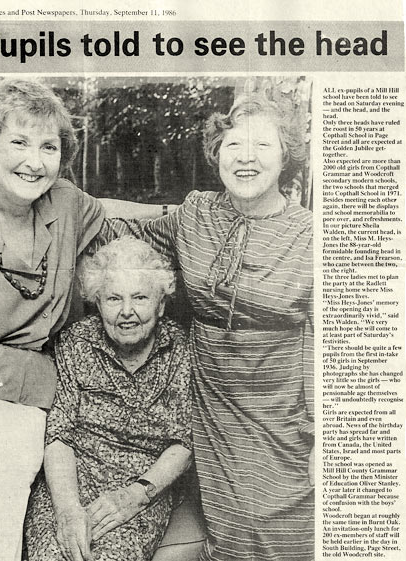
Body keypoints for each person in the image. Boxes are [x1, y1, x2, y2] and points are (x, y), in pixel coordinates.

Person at [98, 92, 315, 561]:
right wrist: (68, 200)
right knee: (230, 539)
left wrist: (322, 433)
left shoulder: (311, 235)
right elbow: (121, 224)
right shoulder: (195, 214)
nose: (246, 158)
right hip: (212, 406)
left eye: (263, 146)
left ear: (286, 156)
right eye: (235, 145)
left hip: (283, 413)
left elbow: (326, 342)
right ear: (217, 152)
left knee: (287, 538)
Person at [0, 79, 167, 561]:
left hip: (41, 397)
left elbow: (125, 219)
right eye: (19, 141)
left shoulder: (66, 204)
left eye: (48, 147)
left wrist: (202, 209)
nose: (34, 161)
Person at [25, 237, 192, 561]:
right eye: (114, 298)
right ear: (97, 302)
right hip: (69, 484)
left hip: (141, 490)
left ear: (160, 304)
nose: (126, 312)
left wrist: (136, 496)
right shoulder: (75, 343)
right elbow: (58, 434)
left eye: (140, 297)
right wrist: (68, 510)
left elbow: (184, 443)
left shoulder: (180, 349)